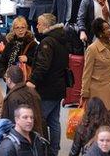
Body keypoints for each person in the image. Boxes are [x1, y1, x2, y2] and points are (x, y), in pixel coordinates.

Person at [29, 13, 68, 156]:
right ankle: (54, 151)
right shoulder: (61, 38)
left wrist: (32, 81)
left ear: (46, 25)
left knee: (39, 120)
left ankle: (42, 151)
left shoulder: (47, 42)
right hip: (59, 86)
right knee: (54, 121)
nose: (37, 26)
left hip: (47, 88)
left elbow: (42, 66)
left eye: (39, 23)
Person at [2, 66, 43, 134]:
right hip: (36, 134)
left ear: (9, 80)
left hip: (21, 136)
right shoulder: (33, 92)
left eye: (6, 77)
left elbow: (12, 122)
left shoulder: (12, 98)